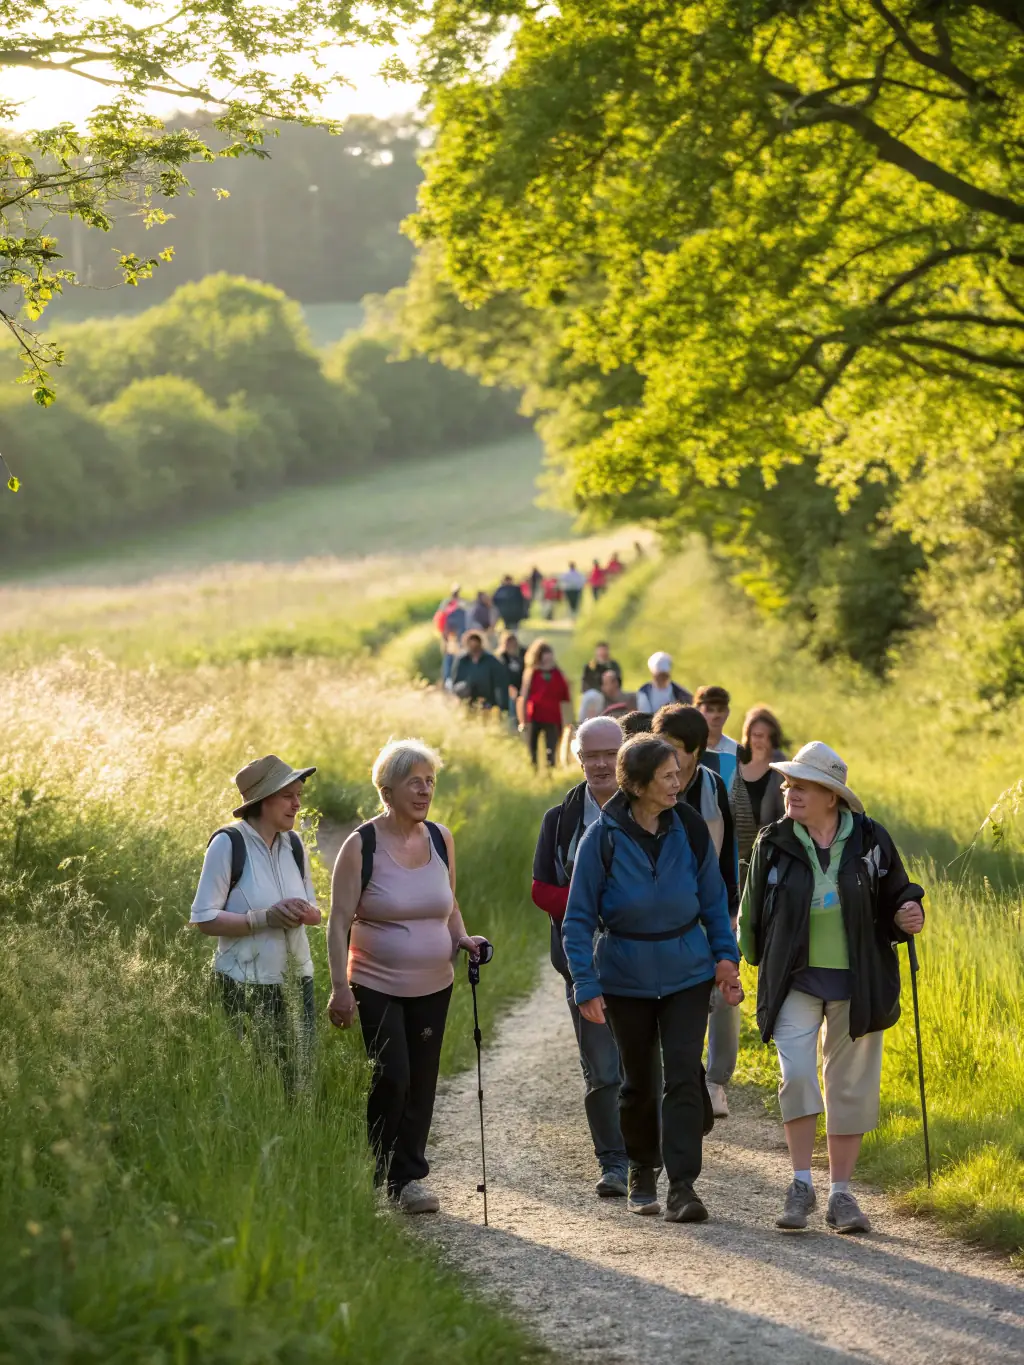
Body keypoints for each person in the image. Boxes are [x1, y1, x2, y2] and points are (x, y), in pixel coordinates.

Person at [738, 742, 925, 1235]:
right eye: (786, 783)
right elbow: (750, 912)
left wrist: (909, 911)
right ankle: (800, 1184)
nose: (787, 790)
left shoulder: (870, 839)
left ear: (830, 796)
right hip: (794, 979)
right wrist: (749, 961)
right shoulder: (773, 840)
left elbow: (896, 893)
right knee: (796, 1075)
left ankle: (842, 1194)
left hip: (856, 980)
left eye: (799, 785)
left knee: (850, 1087)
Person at [562, 735, 741, 1222]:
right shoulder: (601, 838)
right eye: (667, 776)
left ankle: (684, 1187)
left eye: (678, 773)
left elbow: (713, 900)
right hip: (625, 977)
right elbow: (576, 920)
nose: (678, 783)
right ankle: (643, 1167)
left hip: (687, 972)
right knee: (638, 1081)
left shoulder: (689, 827)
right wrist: (586, 982)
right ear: (637, 785)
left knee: (684, 1074)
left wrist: (726, 959)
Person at [326, 739, 489, 1214]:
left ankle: (407, 1178)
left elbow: (448, 903)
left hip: (435, 981)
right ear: (388, 789)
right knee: (392, 1075)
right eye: (414, 782)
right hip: (375, 981)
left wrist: (463, 938)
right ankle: (380, 1167)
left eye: (430, 781)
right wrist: (340, 988)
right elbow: (339, 921)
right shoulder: (362, 845)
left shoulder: (440, 838)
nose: (425, 790)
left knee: (421, 1078)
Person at [532, 716, 629, 1197]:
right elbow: (539, 889)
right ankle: (613, 1163)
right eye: (590, 755)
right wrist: (590, 901)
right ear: (578, 759)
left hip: (644, 960)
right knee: (602, 1068)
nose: (599, 764)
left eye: (608, 754)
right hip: (582, 961)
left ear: (625, 755)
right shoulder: (561, 818)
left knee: (642, 1064)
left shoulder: (652, 813)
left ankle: (647, 1157)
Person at [190, 754, 321, 1090]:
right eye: (287, 796)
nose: (296, 804)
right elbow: (205, 918)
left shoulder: (293, 844)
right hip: (245, 985)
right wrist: (265, 918)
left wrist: (304, 914)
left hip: (296, 979)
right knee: (257, 1083)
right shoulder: (227, 844)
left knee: (300, 1083)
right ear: (263, 801)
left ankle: (299, 1141)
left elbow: (316, 911)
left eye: (299, 796)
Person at [652, 704, 740, 1119]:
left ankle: (716, 1081)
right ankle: (675, 1076)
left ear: (696, 750)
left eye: (676, 748)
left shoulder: (714, 787)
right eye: (662, 745)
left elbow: (729, 854)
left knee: (723, 994)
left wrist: (732, 909)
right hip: (661, 910)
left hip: (710, 906)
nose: (668, 755)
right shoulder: (645, 787)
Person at [731, 705, 787, 889]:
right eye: (756, 735)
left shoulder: (783, 769)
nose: (760, 741)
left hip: (770, 854)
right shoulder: (735, 763)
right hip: (735, 855)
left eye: (765, 736)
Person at [519, 639, 571, 769]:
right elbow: (523, 698)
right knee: (533, 750)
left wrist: (568, 720)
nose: (548, 656)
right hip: (534, 716)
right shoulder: (532, 673)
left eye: (549, 653)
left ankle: (550, 773)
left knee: (551, 749)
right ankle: (534, 771)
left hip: (553, 717)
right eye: (544, 653)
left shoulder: (557, 673)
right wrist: (523, 719)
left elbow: (566, 697)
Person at [695, 685, 739, 792]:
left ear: (728, 712)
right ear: (697, 710)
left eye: (720, 710)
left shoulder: (736, 750)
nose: (715, 715)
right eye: (709, 710)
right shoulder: (688, 747)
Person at [452, 630, 507, 710]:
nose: (474, 646)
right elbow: (455, 682)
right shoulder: (462, 660)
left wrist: (500, 703)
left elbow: (500, 683)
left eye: (476, 644)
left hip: (488, 700)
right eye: (471, 644)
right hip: (467, 700)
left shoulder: (491, 660)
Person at [579, 642, 623, 723]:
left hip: (612, 693)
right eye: (600, 651)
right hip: (596, 694)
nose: (602, 653)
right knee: (592, 697)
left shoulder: (613, 665)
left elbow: (619, 681)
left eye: (604, 650)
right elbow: (585, 684)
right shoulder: (590, 666)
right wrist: (601, 689)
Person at [498, 630, 524, 728]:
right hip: (508, 689)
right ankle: (512, 726)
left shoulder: (523, 654)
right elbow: (502, 675)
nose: (511, 645)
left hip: (522, 687)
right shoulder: (502, 657)